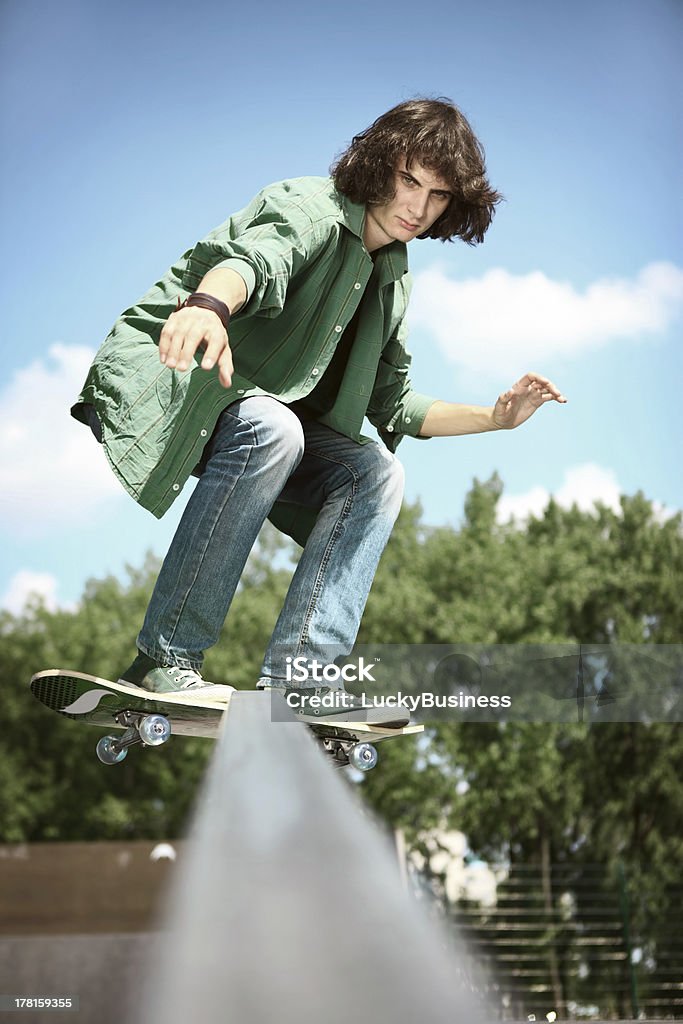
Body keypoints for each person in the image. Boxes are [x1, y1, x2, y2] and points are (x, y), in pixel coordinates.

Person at [72, 97, 566, 723]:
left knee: (377, 471)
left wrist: (496, 417)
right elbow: (255, 261)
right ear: (380, 164)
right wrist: (209, 307)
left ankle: (300, 683)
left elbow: (395, 403)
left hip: (268, 425)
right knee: (274, 426)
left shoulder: (394, 275)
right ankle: (164, 659)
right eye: (409, 180)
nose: (417, 207)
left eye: (437, 195)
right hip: (187, 374)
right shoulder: (312, 207)